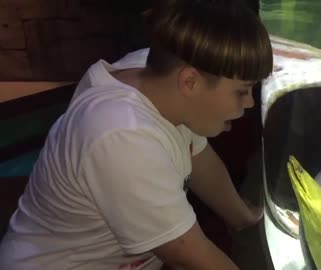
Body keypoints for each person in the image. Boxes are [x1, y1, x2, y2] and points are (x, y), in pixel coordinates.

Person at [0, 0, 273, 269]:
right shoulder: (123, 138)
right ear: (190, 82)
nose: (249, 103)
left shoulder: (161, 77)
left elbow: (199, 158)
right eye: (241, 91)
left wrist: (243, 217)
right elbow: (187, 254)